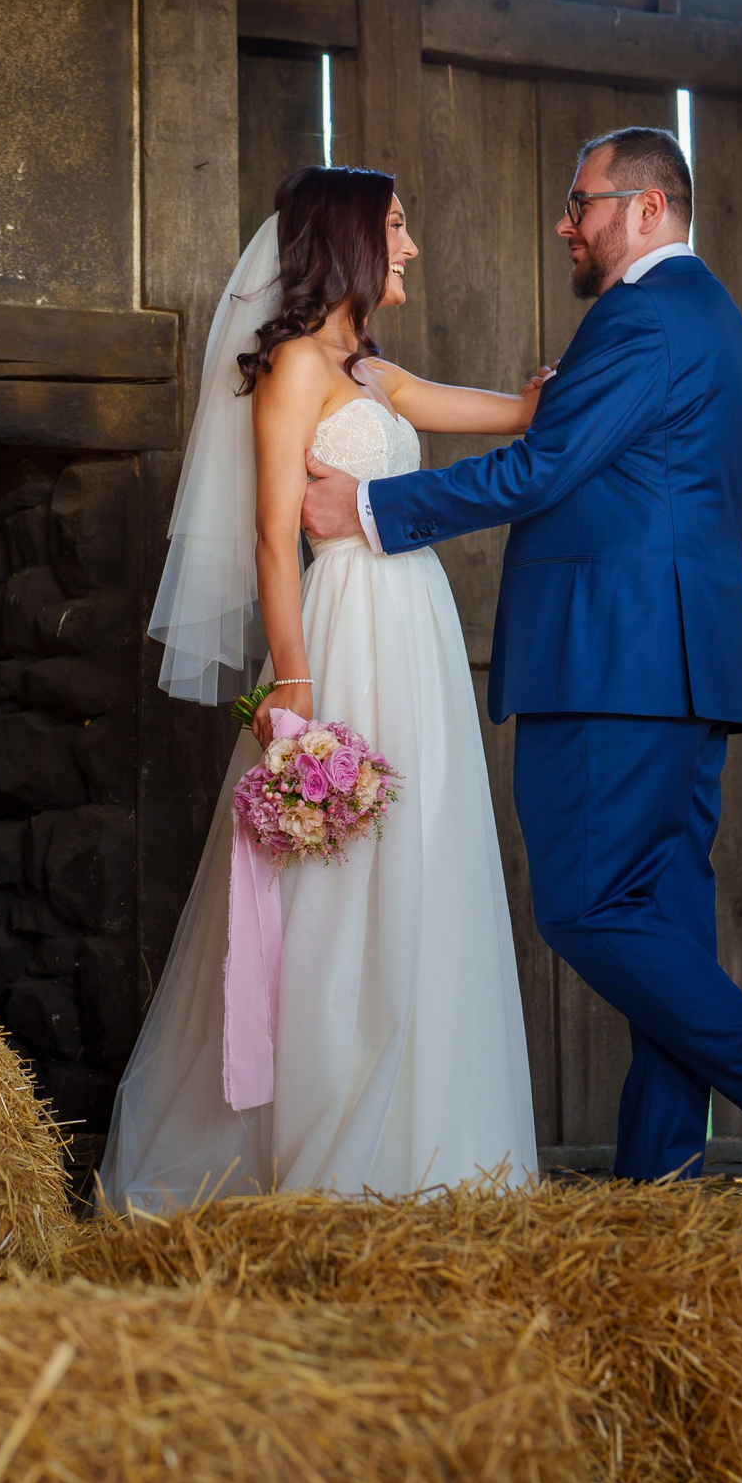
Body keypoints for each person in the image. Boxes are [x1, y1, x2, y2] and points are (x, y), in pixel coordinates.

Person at [299, 127, 742, 1204]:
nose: (566, 223)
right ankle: (659, 1192)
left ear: (647, 209)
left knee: (585, 907)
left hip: (614, 663)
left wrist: (371, 506)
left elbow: (544, 467)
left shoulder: (643, 317)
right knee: (663, 929)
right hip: (681, 666)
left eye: (583, 202)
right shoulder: (711, 320)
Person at [97, 165, 547, 1211]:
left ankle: (428, 1141)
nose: (411, 246)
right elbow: (270, 537)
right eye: (396, 226)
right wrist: (292, 687)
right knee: (335, 873)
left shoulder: (372, 372)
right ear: (348, 237)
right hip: (344, 625)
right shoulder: (294, 366)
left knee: (420, 848)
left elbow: (503, 416)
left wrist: (552, 397)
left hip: (416, 625)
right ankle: (323, 1127)